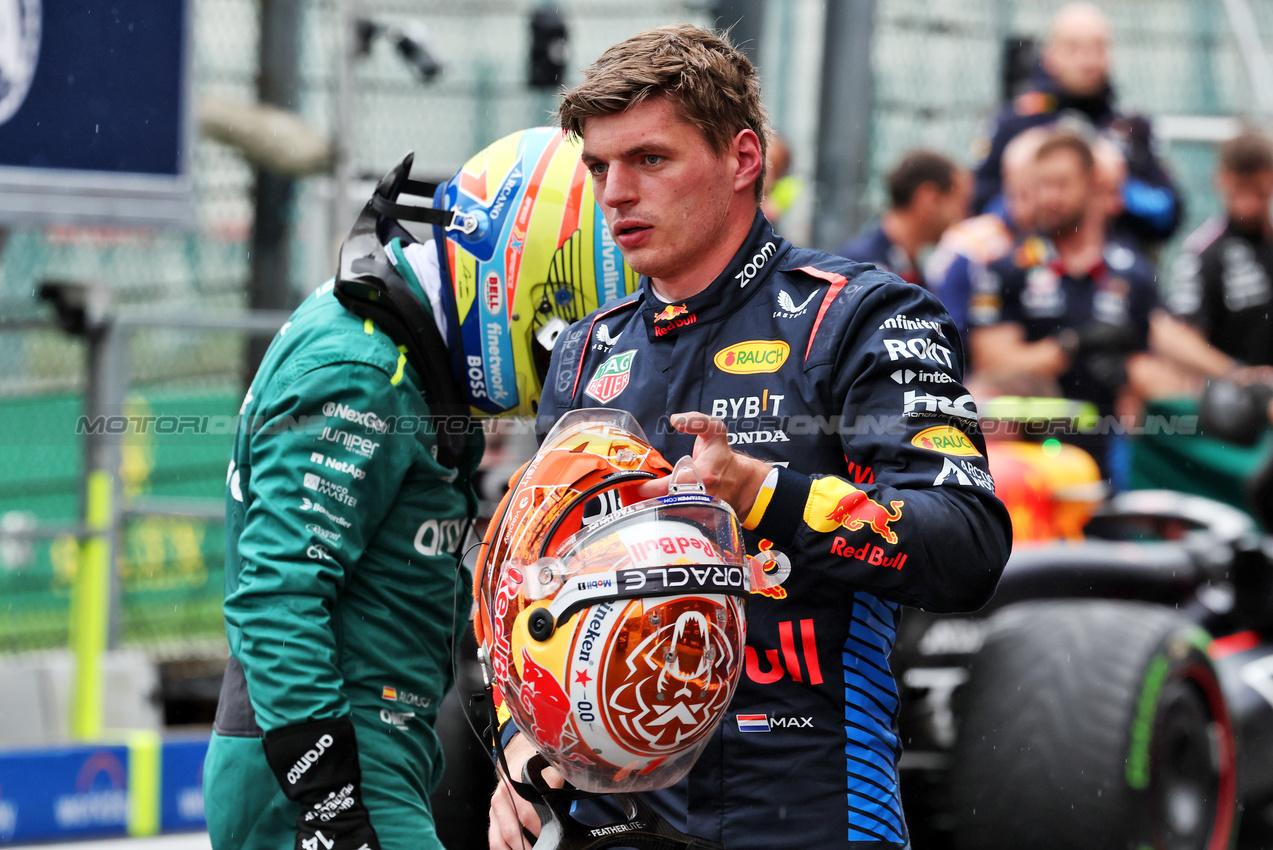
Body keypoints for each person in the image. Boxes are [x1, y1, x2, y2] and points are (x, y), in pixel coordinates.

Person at [488, 24, 1012, 850]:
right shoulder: (586, 354)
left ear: (741, 159)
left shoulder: (859, 318)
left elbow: (967, 545)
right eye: (599, 167)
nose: (615, 192)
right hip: (615, 817)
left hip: (810, 808)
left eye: (649, 160)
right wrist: (520, 741)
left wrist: (765, 495)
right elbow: (523, 581)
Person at [203, 128, 637, 850]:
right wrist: (333, 806)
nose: (558, 377)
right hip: (324, 770)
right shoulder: (365, 369)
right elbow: (276, 596)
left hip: (369, 753)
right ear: (525, 287)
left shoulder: (406, 353)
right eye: (560, 341)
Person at [970, 129, 1157, 480]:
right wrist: (1071, 346)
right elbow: (992, 362)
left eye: (1061, 184)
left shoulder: (1133, 272)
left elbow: (1150, 369)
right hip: (1028, 462)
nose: (1049, 197)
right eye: (1041, 185)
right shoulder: (1007, 267)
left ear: (1091, 184)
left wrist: (1128, 377)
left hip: (1110, 456)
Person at [972, 2, 1181, 249]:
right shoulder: (1014, 123)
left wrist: (1115, 185)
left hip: (1115, 276)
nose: (1088, 60)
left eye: (1099, 48)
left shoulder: (1132, 127)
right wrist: (1031, 186)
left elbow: (1169, 217)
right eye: (1074, 48)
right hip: (1030, 272)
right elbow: (979, 211)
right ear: (1049, 55)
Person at [1161, 129, 1273, 379]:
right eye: (1241, 189)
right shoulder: (1202, 251)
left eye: (1259, 191)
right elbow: (1178, 338)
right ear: (1222, 180)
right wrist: (1240, 375)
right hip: (1232, 397)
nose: (1250, 203)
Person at [927, 127, 1048, 342]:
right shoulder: (968, 242)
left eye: (1033, 193)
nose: (1022, 208)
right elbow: (948, 325)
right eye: (1015, 193)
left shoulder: (1070, 242)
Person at [836, 150, 971, 286]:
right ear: (930, 199)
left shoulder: (907, 266)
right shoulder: (864, 268)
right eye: (960, 203)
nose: (964, 215)